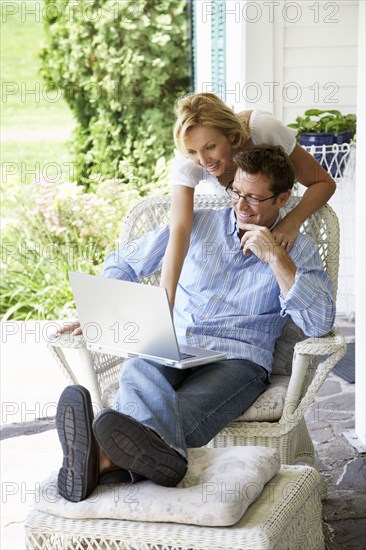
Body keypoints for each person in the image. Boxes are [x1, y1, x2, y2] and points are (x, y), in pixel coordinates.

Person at [56, 145, 335, 503]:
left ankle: (101, 457)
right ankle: (137, 460)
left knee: (185, 405)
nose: (241, 205)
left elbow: (318, 323)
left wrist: (277, 259)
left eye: (254, 198)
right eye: (236, 192)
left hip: (239, 361)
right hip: (176, 344)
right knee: (138, 367)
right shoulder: (198, 224)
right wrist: (102, 308)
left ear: (283, 199)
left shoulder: (298, 249)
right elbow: (124, 262)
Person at [160, 92, 336, 310]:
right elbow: (179, 231)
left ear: (232, 137)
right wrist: (166, 301)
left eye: (210, 147)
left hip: (272, 214)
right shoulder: (188, 162)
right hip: (237, 230)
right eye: (193, 152)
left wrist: (290, 223)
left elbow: (323, 182)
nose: (203, 161)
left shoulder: (263, 129)